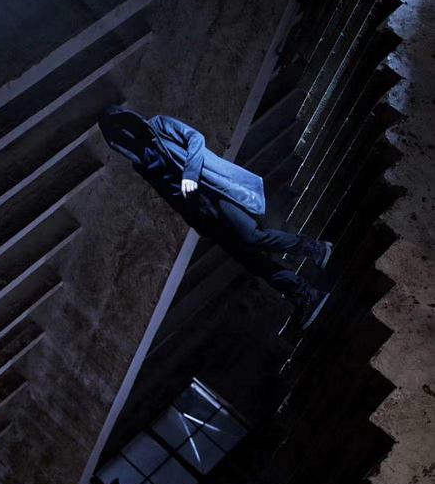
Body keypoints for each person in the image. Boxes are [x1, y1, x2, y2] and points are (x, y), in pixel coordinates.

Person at [98, 105, 332, 331]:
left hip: (213, 193)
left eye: (121, 127)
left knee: (253, 237)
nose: (123, 137)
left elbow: (195, 138)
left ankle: (314, 248)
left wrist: (190, 174)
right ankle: (305, 294)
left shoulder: (159, 125)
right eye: (116, 137)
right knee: (252, 261)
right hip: (203, 215)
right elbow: (170, 195)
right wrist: (196, 222)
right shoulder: (140, 163)